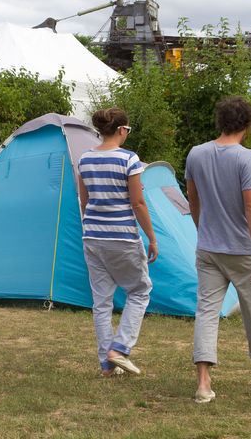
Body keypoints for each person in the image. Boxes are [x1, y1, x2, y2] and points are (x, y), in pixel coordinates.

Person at [185, 96, 251, 404]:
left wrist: (202, 229)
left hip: (208, 248)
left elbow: (193, 200)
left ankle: (203, 383)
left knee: (206, 312)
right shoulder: (247, 158)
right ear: (246, 125)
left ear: (219, 121)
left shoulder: (196, 154)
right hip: (242, 250)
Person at [77, 107, 158, 377]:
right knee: (139, 290)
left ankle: (106, 367)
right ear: (122, 130)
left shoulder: (84, 160)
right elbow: (137, 202)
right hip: (122, 236)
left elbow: (84, 201)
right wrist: (151, 238)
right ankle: (119, 348)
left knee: (101, 302)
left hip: (92, 237)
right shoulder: (129, 160)